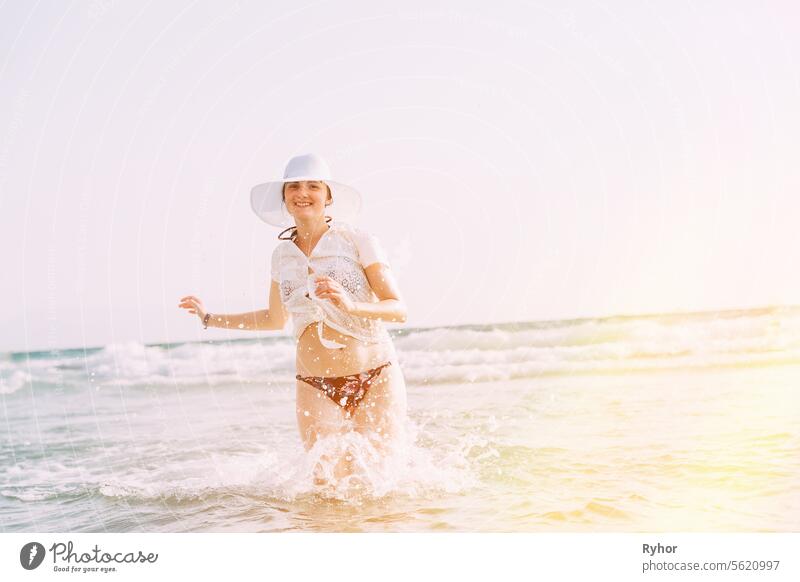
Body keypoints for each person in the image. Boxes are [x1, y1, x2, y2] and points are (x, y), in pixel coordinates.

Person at [178, 153, 408, 489]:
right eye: (294, 187)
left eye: (313, 186)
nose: (303, 192)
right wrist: (209, 318)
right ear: (284, 199)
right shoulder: (281, 255)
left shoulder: (358, 240)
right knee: (326, 490)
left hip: (376, 376)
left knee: (380, 487)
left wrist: (350, 305)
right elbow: (273, 319)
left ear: (328, 196)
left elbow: (398, 309)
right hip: (315, 383)